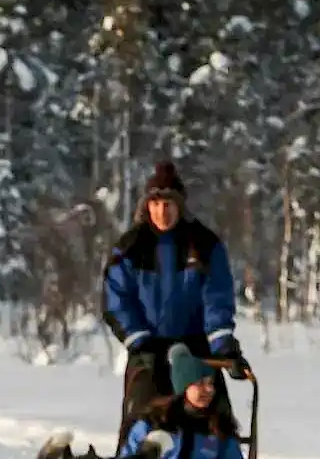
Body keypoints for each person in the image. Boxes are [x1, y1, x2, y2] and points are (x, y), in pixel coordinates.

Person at [102, 161, 249, 439]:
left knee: (217, 423)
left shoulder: (204, 244)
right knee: (141, 422)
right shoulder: (130, 248)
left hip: (196, 347)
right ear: (146, 206)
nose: (162, 211)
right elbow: (116, 299)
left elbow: (216, 296)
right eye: (155, 203)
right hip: (149, 349)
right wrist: (138, 339)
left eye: (168, 203)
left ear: (180, 205)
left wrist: (222, 343)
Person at [121, 345, 247, 459]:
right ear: (184, 386)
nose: (209, 389)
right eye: (201, 383)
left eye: (211, 383)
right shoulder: (154, 422)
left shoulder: (218, 426)